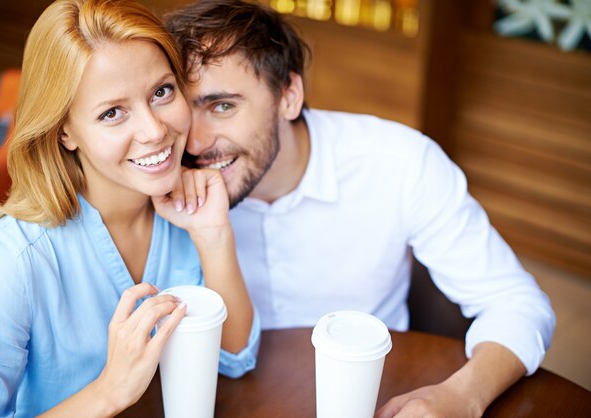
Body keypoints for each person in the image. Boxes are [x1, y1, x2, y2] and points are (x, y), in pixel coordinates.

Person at [165, 0, 556, 416]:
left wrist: (464, 395)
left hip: (375, 398)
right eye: (184, 112)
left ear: (289, 96)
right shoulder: (161, 183)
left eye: (222, 106)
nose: (195, 143)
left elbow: (517, 301)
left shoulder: (399, 162)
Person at [0, 0, 259, 416]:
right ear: (65, 130)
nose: (155, 130)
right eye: (112, 113)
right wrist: (109, 391)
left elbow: (234, 359)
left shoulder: (189, 214)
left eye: (161, 92)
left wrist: (213, 238)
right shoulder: (17, 255)